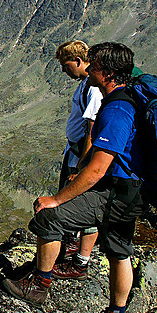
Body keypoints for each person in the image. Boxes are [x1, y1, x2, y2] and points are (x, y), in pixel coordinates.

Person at [2, 42, 143, 313]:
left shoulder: (117, 108)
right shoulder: (126, 99)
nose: (88, 69)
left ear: (105, 71)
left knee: (48, 218)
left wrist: (57, 198)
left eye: (93, 65)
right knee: (119, 252)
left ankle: (39, 286)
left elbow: (97, 170)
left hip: (113, 193)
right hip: (130, 191)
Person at [53, 41, 103, 280]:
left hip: (81, 157)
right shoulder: (86, 84)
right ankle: (72, 242)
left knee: (81, 200)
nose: (64, 71)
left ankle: (81, 261)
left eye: (65, 66)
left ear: (78, 61)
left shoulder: (93, 87)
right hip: (73, 152)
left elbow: (93, 128)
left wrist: (82, 166)